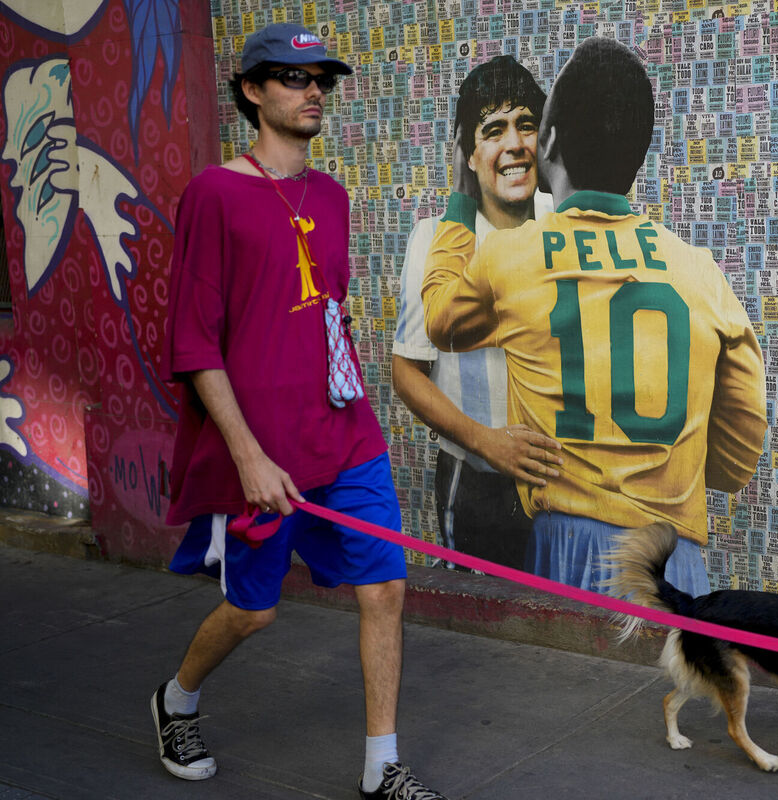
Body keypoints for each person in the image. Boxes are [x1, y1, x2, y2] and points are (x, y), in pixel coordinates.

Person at [153, 23, 444, 800]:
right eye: (290, 76)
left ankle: (382, 767)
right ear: (251, 91)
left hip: (344, 435)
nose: (312, 89)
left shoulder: (333, 196)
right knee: (253, 612)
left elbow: (327, 316)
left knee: (384, 587)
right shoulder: (215, 195)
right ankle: (176, 699)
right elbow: (194, 343)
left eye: (321, 78)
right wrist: (246, 454)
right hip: (265, 447)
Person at [422, 36, 767, 595]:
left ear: (549, 142)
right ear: (638, 152)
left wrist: (462, 198)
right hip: (673, 557)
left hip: (565, 545)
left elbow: (441, 319)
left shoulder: (510, 257)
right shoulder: (702, 273)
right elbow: (737, 455)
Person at [392, 55, 562, 570]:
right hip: (475, 485)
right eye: (493, 130)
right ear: (469, 153)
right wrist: (488, 444)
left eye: (526, 125)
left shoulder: (567, 224)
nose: (514, 144)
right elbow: (406, 372)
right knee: (483, 626)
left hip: (565, 483)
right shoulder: (437, 238)